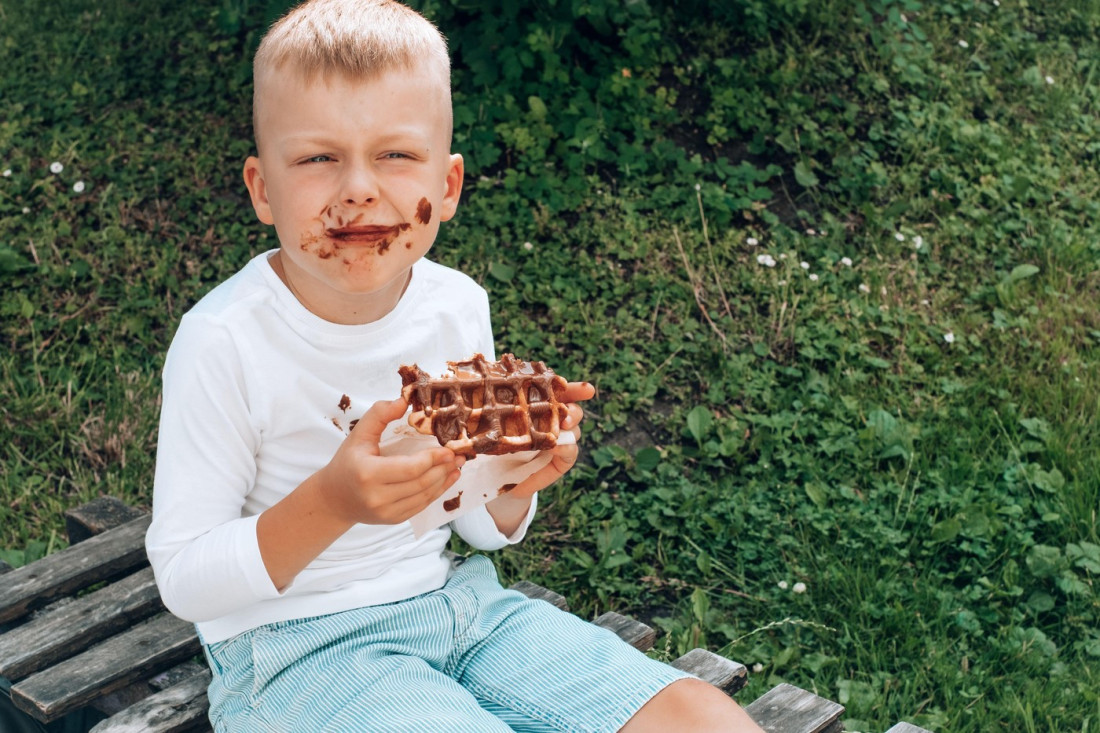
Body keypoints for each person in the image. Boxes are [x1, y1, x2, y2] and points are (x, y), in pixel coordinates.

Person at [146, 1, 764, 730]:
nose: (357, 187)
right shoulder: (223, 339)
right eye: (317, 158)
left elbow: (473, 520)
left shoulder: (455, 305)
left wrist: (515, 476)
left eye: (395, 155)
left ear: (447, 186)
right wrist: (334, 502)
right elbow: (185, 577)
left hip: (465, 611)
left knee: (698, 715)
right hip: (297, 652)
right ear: (261, 188)